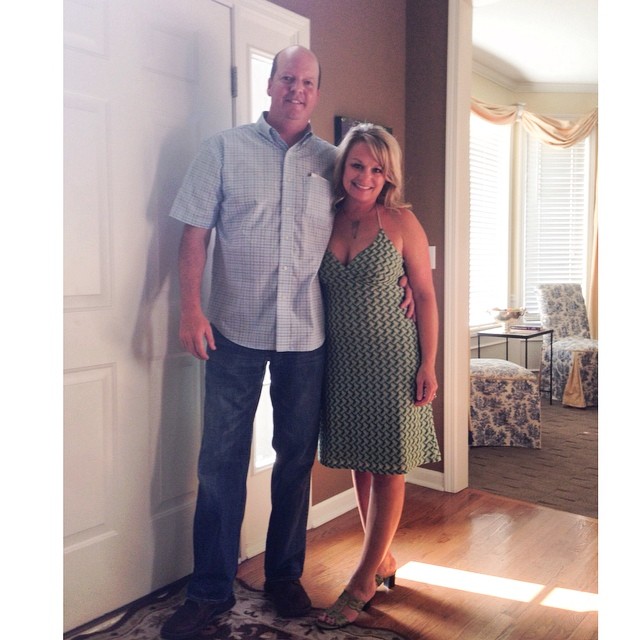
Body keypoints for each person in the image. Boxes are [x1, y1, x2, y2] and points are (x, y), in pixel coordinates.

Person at [160, 47, 412, 640]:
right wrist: (190, 308)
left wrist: (402, 273)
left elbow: (376, 210)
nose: (297, 89)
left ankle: (283, 576)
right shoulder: (222, 150)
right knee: (220, 462)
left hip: (306, 335)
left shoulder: (333, 161)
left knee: (295, 460)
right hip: (233, 331)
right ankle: (210, 590)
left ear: (317, 92)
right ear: (271, 82)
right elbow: (194, 235)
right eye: (288, 78)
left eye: (308, 82)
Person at [315, 123, 441, 630]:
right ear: (342, 166)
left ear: (389, 174)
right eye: (357, 165)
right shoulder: (323, 216)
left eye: (376, 168)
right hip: (341, 362)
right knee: (360, 462)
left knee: (389, 467)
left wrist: (428, 363)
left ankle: (363, 579)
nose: (365, 176)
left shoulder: (401, 220)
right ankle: (382, 557)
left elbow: (424, 294)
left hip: (393, 358)